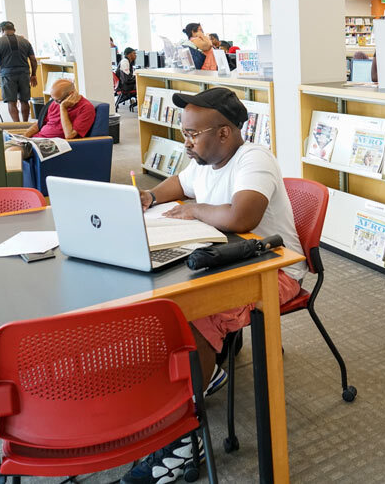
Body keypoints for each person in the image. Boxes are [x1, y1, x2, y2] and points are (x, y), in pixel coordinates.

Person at [123, 88, 302, 484]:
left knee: (194, 315)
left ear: (224, 133)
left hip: (273, 268)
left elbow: (242, 215)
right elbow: (179, 184)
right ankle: (203, 375)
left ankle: (185, 443)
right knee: (164, 302)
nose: (185, 142)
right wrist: (151, 195)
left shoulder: (254, 159)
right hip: (226, 259)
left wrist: (195, 211)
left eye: (192, 134)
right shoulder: (203, 159)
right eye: (183, 133)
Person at [0, 21, 38, 123]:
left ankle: (17, 124)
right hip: (24, 74)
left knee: (11, 102)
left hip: (8, 75)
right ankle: (25, 123)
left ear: (2, 30)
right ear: (14, 30)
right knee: (25, 100)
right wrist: (33, 75)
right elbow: (33, 60)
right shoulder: (25, 42)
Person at [21, 78, 96, 140]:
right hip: (38, 140)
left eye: (58, 100)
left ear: (70, 95)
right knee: (12, 146)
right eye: (53, 99)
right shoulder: (54, 103)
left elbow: (69, 135)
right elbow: (39, 124)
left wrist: (63, 108)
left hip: (55, 145)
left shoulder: (86, 108)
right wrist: (24, 136)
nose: (55, 103)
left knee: (14, 151)